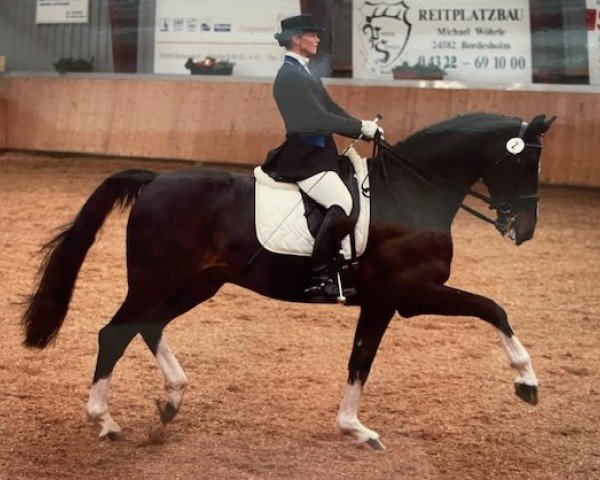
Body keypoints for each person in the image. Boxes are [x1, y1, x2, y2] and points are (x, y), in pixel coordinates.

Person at [262, 13, 383, 302]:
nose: (317, 39)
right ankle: (319, 277)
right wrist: (358, 128)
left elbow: (332, 107)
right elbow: (317, 118)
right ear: (296, 39)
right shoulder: (289, 76)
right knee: (342, 202)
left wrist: (365, 127)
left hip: (320, 154)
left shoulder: (305, 71)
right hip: (304, 158)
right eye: (312, 34)